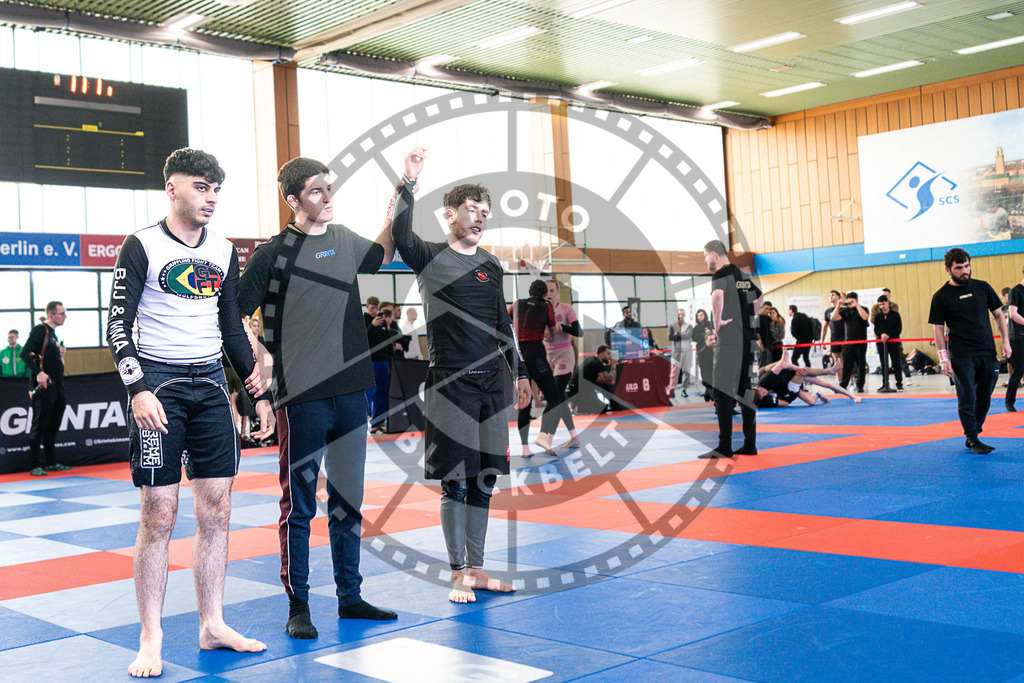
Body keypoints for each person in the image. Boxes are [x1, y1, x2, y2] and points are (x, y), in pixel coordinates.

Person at [105, 148, 274, 677]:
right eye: (201, 187)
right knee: (158, 513)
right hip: (158, 386)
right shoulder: (142, 245)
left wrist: (258, 392)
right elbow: (117, 325)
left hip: (209, 390)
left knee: (217, 509)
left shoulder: (224, 251)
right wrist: (137, 388)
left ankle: (212, 623)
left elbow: (231, 328)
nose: (212, 198)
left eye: (217, 189)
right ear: (172, 188)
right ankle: (151, 636)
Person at [238, 153, 403, 639]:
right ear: (293, 200)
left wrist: (402, 193)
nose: (326, 197)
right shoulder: (272, 253)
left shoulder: (345, 240)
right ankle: (299, 604)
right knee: (301, 505)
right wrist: (260, 357)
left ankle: (349, 597)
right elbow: (233, 315)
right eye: (315, 191)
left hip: (353, 393)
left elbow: (383, 253)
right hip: (303, 399)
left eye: (329, 188)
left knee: (347, 500)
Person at [391, 150, 531, 604]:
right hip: (449, 382)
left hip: (492, 382)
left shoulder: (491, 265)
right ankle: (457, 573)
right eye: (472, 210)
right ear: (449, 214)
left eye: (485, 214)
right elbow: (398, 233)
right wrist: (408, 183)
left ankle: (478, 568)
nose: (480, 219)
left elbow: (501, 323)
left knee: (485, 477)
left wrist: (521, 371)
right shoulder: (429, 257)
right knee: (456, 478)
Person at [928, 247, 1011, 454]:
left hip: (986, 350)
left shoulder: (982, 287)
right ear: (948, 269)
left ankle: (974, 429)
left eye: (967, 266)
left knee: (985, 395)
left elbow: (999, 315)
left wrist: (1006, 341)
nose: (964, 271)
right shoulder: (941, 296)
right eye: (959, 268)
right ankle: (973, 438)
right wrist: (943, 358)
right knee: (967, 396)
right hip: (961, 353)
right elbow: (938, 329)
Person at [699, 239, 761, 459]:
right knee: (745, 390)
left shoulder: (720, 275)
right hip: (748, 339)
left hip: (731, 339)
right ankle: (749, 444)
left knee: (722, 391)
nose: (705, 259)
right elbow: (759, 296)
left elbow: (717, 296)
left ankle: (724, 446)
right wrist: (747, 317)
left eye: (705, 255)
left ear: (714, 254)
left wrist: (717, 322)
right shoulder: (742, 276)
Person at [512, 280, 564, 456]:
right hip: (535, 352)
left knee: (524, 401)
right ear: (543, 294)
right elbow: (553, 328)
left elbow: (506, 321)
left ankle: (525, 449)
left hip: (517, 355)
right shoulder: (546, 305)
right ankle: (543, 435)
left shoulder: (517, 303)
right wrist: (549, 332)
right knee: (555, 397)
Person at [20, 303, 71, 476]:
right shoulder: (40, 330)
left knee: (52, 425)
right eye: (62, 313)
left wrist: (61, 355)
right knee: (40, 424)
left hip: (57, 386)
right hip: (44, 386)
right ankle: (35, 464)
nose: (65, 316)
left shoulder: (53, 335)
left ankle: (50, 462)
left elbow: (53, 362)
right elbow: (24, 353)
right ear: (51, 315)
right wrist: (39, 374)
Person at [543, 279, 581, 448]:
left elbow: (579, 331)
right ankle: (574, 436)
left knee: (555, 394)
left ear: (557, 292)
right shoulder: (540, 310)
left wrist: (562, 327)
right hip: (547, 356)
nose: (549, 294)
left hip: (564, 355)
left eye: (552, 290)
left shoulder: (566, 308)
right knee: (560, 398)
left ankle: (548, 437)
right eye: (546, 291)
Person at [753, 355, 861, 408]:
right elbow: (784, 402)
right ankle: (818, 393)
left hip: (791, 377)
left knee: (824, 382)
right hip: (789, 387)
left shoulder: (765, 379)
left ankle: (831, 371)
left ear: (758, 387)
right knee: (811, 402)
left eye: (763, 392)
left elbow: (781, 364)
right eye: (763, 395)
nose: (765, 393)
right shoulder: (763, 398)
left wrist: (796, 369)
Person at [367, 304, 399, 433]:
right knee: (378, 393)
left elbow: (388, 346)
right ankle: (375, 422)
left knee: (383, 393)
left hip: (385, 362)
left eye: (389, 317)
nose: (388, 319)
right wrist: (372, 326)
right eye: (386, 317)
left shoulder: (386, 329)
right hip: (377, 363)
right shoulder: (373, 328)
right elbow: (366, 338)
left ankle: (379, 421)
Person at [832, 291, 869, 393]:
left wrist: (856, 305)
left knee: (860, 364)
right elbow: (833, 317)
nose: (851, 302)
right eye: (849, 300)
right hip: (848, 341)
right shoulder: (845, 311)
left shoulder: (863, 309)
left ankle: (860, 385)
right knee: (847, 364)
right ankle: (843, 385)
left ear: (857, 300)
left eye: (853, 300)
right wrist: (838, 306)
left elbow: (865, 317)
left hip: (861, 341)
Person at [572, 344, 619, 414]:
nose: (610, 356)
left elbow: (595, 378)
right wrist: (613, 366)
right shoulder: (596, 363)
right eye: (608, 354)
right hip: (580, 392)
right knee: (603, 408)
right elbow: (612, 381)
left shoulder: (590, 359)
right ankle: (581, 407)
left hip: (576, 390)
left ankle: (580, 405)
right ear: (602, 354)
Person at [873, 296, 904, 392]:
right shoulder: (878, 317)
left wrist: (888, 335)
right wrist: (882, 335)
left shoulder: (895, 315)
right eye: (880, 305)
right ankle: (885, 383)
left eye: (883, 304)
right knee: (883, 363)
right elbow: (876, 329)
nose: (882, 306)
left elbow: (898, 329)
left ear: (888, 303)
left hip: (893, 342)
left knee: (896, 362)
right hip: (881, 343)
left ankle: (899, 383)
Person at [1006, 269, 1024, 411]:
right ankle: (1009, 401)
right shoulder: (1015, 291)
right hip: (1017, 336)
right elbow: (1013, 314)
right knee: (1019, 368)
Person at [666, 309, 694, 397]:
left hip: (687, 352)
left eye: (682, 314)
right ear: (677, 315)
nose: (680, 316)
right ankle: (671, 390)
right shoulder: (672, 325)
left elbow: (688, 335)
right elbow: (669, 337)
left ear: (684, 315)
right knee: (674, 373)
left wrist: (677, 335)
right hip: (676, 353)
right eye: (679, 314)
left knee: (687, 372)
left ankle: (684, 390)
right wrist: (680, 335)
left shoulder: (689, 326)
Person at [692, 309, 714, 401]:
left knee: (712, 369)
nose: (700, 317)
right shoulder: (696, 327)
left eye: (701, 315)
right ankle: (708, 390)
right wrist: (704, 334)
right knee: (704, 370)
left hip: (711, 349)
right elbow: (694, 338)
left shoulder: (710, 323)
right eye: (698, 315)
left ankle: (709, 391)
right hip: (701, 349)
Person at [822, 290, 845, 370]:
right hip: (834, 338)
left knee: (845, 360)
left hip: (845, 337)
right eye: (830, 295)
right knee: (836, 361)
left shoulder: (843, 309)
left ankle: (850, 379)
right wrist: (822, 341)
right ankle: (839, 381)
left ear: (838, 297)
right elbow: (825, 326)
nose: (831, 297)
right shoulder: (827, 311)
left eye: (833, 295)